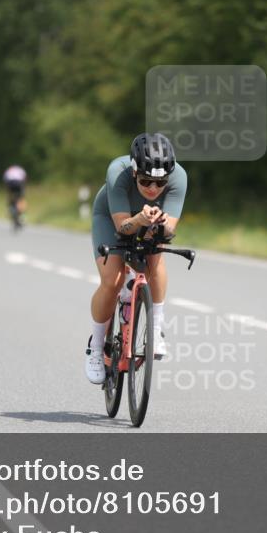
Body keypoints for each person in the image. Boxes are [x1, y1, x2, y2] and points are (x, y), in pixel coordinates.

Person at [84, 133, 187, 385]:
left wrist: (160, 226)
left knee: (156, 260)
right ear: (133, 172)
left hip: (149, 219)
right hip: (112, 218)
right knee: (113, 280)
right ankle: (96, 348)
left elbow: (170, 230)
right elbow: (122, 228)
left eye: (159, 183)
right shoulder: (116, 172)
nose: (152, 188)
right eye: (145, 181)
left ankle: (156, 329)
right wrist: (139, 220)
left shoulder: (179, 177)